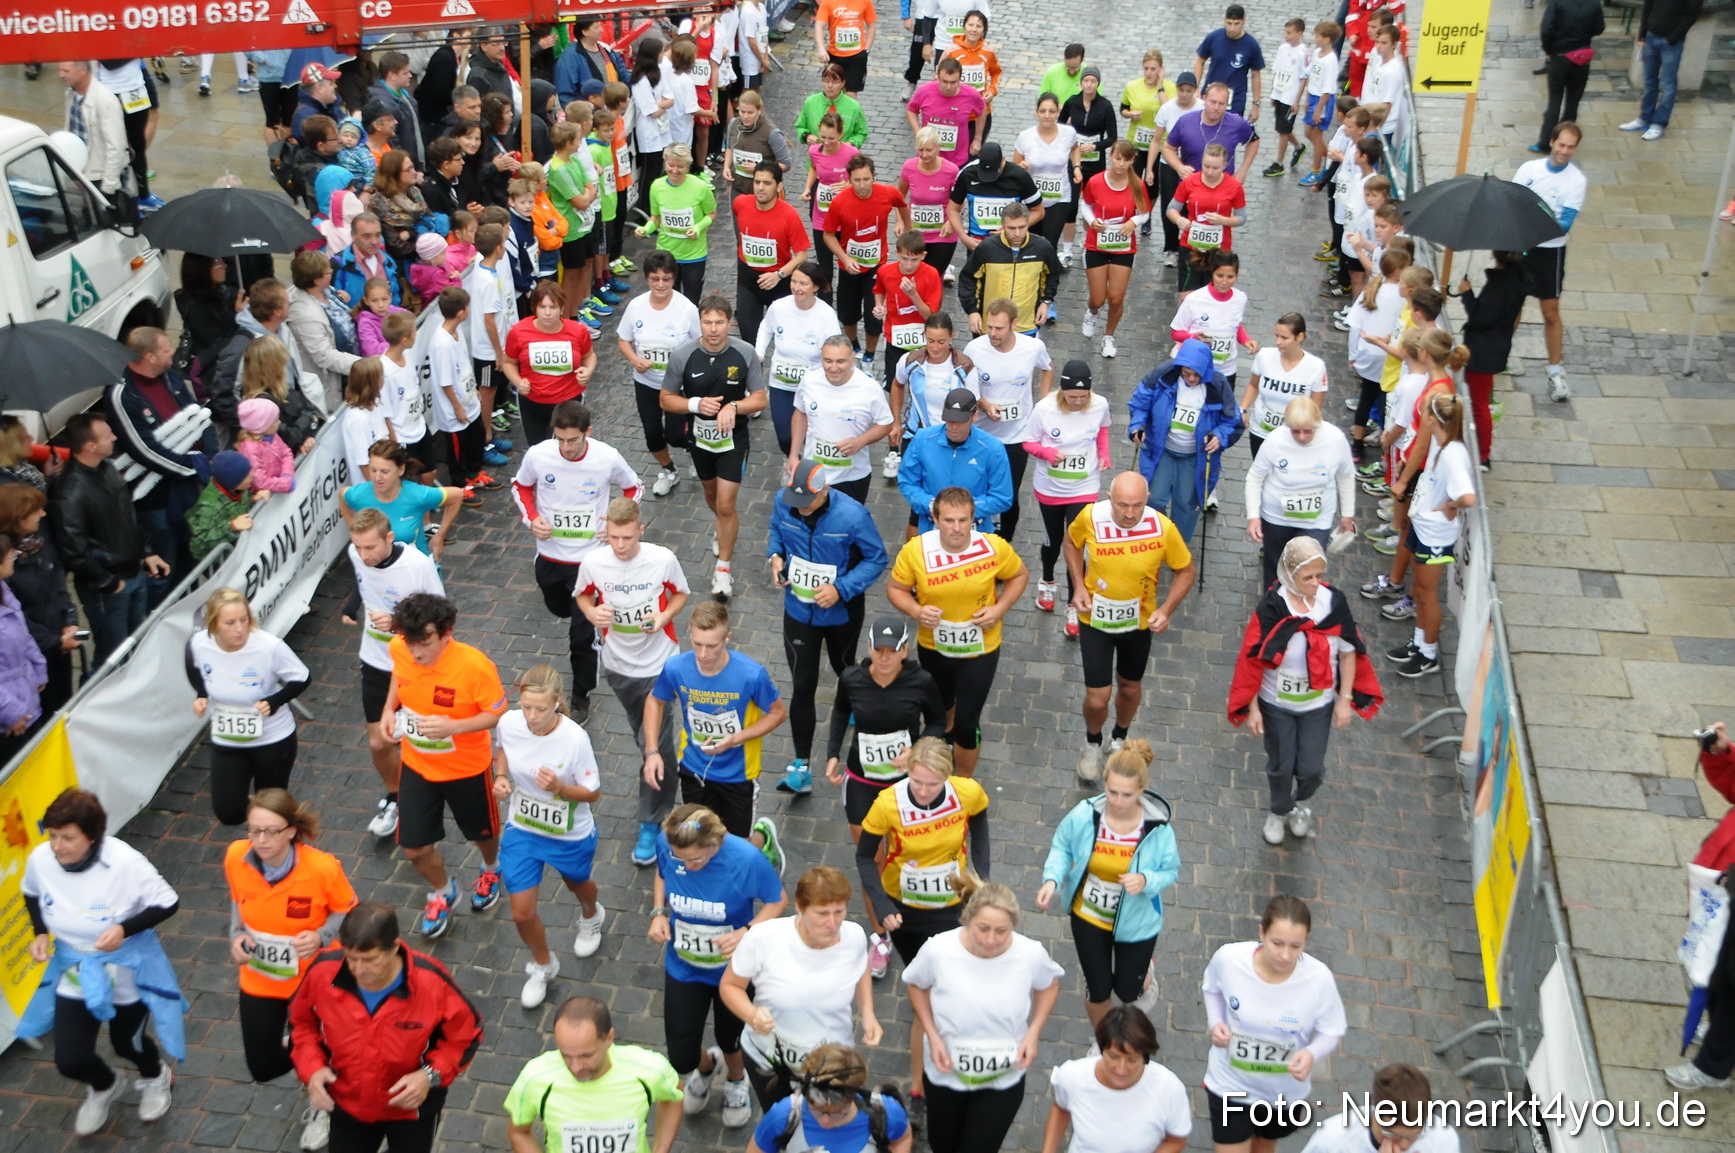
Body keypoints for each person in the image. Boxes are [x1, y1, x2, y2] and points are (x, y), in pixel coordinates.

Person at [20, 789, 181, 1135]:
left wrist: (124, 929)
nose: (57, 846)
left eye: (67, 837)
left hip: (125, 967)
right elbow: (31, 892)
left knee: (127, 1043)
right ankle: (105, 1084)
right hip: (76, 965)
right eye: (52, 835)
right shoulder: (41, 859)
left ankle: (155, 1075)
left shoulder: (125, 862)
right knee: (70, 1060)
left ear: (91, 837)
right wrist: (40, 932)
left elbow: (168, 902)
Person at [289, 902, 483, 1153]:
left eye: (369, 960)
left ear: (394, 947)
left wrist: (429, 1075)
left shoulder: (432, 983)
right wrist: (312, 1069)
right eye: (351, 958)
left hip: (412, 1111)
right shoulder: (322, 972)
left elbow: (465, 1036)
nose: (358, 970)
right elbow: (300, 1024)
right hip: (347, 1106)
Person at [224, 789, 357, 1152]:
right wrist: (236, 936)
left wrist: (320, 935)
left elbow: (348, 908)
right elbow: (237, 900)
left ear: (292, 831)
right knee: (262, 1067)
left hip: (316, 980)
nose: (261, 840)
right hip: (261, 978)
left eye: (271, 831)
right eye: (254, 830)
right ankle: (303, 1048)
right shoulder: (236, 856)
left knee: (328, 1050)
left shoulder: (322, 869)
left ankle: (325, 1105)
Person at [855, 737, 989, 1095]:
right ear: (907, 772)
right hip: (906, 910)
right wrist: (882, 906)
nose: (925, 791)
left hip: (953, 904)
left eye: (933, 784)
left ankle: (948, 1039)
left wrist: (982, 880)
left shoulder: (967, 792)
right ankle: (920, 1075)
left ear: (948, 776)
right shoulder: (888, 803)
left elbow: (980, 828)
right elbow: (864, 857)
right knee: (922, 978)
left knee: (949, 977)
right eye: (917, 782)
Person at [1229, 536, 1382, 844]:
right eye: (1307, 577)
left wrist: (1345, 699)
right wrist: (1254, 708)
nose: (1315, 583)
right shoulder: (1271, 607)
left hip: (1317, 705)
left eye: (1319, 575)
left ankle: (1301, 803)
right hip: (1276, 704)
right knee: (1281, 765)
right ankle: (1279, 810)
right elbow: (1252, 660)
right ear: (1289, 574)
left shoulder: (1333, 604)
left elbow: (1349, 652)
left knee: (1311, 768)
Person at [377, 593, 508, 938]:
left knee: (482, 833)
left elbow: (497, 714)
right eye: (410, 643)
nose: (416, 653)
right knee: (414, 847)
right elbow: (399, 676)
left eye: (425, 644)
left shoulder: (475, 666)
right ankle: (444, 890)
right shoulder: (399, 648)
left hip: (466, 768)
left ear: (447, 632)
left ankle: (492, 867)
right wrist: (389, 709)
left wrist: (454, 727)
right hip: (417, 764)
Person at [651, 803, 788, 1127]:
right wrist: (659, 912)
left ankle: (736, 1079)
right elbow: (661, 873)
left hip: (734, 972)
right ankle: (706, 1066)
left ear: (715, 843)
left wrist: (747, 932)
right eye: (681, 859)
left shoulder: (746, 860)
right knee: (680, 1055)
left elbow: (778, 900)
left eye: (696, 859)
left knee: (731, 1038)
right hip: (684, 967)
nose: (688, 866)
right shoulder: (667, 844)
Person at [903, 877, 1063, 1153]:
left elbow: (1049, 985)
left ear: (1014, 925)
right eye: (983, 928)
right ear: (967, 920)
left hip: (1003, 1077)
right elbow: (916, 985)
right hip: (946, 1073)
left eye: (1002, 931)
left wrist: (1033, 1032)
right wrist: (932, 1034)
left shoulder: (1030, 953)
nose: (991, 940)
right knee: (942, 1145)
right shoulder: (938, 949)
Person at [826, 617, 947, 968]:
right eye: (878, 650)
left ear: (904, 651)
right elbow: (840, 712)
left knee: (908, 856)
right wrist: (832, 753)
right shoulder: (852, 678)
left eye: (891, 651)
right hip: (862, 782)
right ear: (869, 648)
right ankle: (880, 936)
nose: (883, 657)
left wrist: (917, 749)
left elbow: (938, 721)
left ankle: (918, 921)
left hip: (906, 785)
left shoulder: (921, 681)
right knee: (872, 860)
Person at [511, 400, 642, 723]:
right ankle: (580, 619)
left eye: (573, 440)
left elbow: (634, 487)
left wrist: (615, 523)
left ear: (588, 433)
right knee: (558, 608)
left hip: (590, 562)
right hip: (550, 556)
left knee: (581, 635)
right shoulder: (539, 455)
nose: (566, 448)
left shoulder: (606, 457)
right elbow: (521, 486)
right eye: (561, 440)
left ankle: (581, 693)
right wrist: (532, 518)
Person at [576, 498, 691, 867]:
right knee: (644, 735)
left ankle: (652, 820)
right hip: (619, 666)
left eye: (627, 537)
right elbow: (583, 594)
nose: (620, 545)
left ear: (640, 530)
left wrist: (663, 618)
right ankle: (661, 775)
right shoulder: (594, 562)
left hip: (661, 664)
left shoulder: (661, 559)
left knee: (654, 743)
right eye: (614, 537)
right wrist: (592, 612)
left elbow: (681, 594)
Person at [1064, 472, 1197, 780]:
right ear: (1109, 498)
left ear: (1147, 500)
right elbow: (1071, 543)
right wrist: (1078, 585)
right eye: (1122, 505)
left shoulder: (1162, 527)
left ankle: (1119, 737)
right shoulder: (1091, 516)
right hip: (1095, 619)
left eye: (1137, 506)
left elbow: (1186, 571)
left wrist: (1166, 610)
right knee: (1097, 697)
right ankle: (1092, 743)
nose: (1129, 514)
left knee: (1129, 687)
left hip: (1137, 623)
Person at [887, 487, 1026, 778]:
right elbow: (896, 589)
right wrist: (916, 611)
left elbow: (1019, 575)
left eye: (963, 520)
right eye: (949, 520)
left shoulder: (993, 547)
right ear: (935, 519)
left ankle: (963, 782)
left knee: (968, 722)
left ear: (973, 520)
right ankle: (946, 735)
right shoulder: (916, 550)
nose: (957, 528)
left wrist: (999, 609)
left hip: (981, 649)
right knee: (941, 709)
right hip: (934, 646)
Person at [768, 459, 888, 796]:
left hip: (841, 614)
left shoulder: (853, 516)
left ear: (825, 490)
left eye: (807, 501)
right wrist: (775, 557)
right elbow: (776, 529)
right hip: (798, 610)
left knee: (844, 669)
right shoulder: (784, 501)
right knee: (803, 684)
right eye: (797, 501)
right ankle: (801, 766)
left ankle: (860, 710)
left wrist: (841, 589)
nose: (801, 508)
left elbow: (877, 558)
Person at [1038, 740, 1177, 1024]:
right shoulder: (1085, 814)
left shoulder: (1158, 829)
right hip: (1088, 915)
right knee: (1098, 990)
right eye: (1112, 792)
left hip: (1136, 921)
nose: (1118, 801)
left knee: (1128, 991)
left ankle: (1145, 975)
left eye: (1127, 795)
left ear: (1141, 790)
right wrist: (1052, 878)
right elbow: (1062, 846)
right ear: (1105, 783)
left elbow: (1170, 871)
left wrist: (1146, 879)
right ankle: (1105, 1042)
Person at [493, 664, 607, 1009]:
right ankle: (543, 965)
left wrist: (559, 787)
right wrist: (501, 776)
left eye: (540, 709)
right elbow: (503, 749)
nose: (532, 716)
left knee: (578, 884)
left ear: (557, 703)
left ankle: (591, 914)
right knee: (521, 913)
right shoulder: (510, 723)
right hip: (524, 827)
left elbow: (592, 793)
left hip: (568, 833)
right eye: (526, 707)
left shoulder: (575, 739)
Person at [722, 867, 883, 1109]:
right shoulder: (763, 938)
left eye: (839, 912)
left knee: (830, 1118)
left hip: (832, 1062)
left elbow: (861, 968)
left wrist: (868, 1013)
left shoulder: (855, 935)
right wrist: (752, 1015)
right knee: (782, 1118)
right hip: (769, 1061)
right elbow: (730, 985)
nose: (832, 923)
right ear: (800, 906)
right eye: (822, 913)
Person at [1201, 896, 1347, 1153]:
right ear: (1262, 933)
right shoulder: (1230, 959)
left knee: (1265, 1144)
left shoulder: (1318, 978)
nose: (1285, 955)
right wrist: (1216, 1023)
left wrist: (1311, 1053)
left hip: (1282, 1092)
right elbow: (1211, 988)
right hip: (1230, 1083)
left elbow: (1332, 1029)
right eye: (1277, 943)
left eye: (1295, 946)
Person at [644, 601, 790, 855]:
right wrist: (652, 751)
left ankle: (763, 839)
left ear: (727, 638)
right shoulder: (676, 667)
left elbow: (778, 713)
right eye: (697, 643)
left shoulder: (751, 675)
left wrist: (736, 738)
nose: (703, 654)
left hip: (739, 775)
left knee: (737, 847)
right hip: (694, 769)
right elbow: (654, 701)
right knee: (700, 840)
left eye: (711, 646)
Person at [341, 509, 445, 841]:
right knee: (379, 741)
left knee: (425, 737)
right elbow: (364, 580)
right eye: (358, 547)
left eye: (370, 547)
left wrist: (397, 624)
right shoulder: (357, 555)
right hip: (376, 661)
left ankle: (438, 789)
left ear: (389, 538)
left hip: (416, 664)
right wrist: (351, 606)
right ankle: (395, 796)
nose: (363, 555)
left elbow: (441, 618)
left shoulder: (417, 566)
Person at [659, 295, 769, 597]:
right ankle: (722, 527)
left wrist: (733, 406)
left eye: (719, 322)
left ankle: (723, 571)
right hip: (700, 439)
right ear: (700, 323)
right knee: (712, 496)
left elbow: (760, 398)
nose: (713, 329)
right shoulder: (682, 355)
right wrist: (695, 404)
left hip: (734, 439)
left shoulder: (744, 352)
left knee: (726, 503)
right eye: (707, 322)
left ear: (729, 323)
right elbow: (666, 399)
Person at [49, 414, 169, 671]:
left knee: (135, 645)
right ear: (90, 446)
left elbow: (128, 517)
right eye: (107, 436)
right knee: (109, 657)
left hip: (132, 574)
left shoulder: (108, 469)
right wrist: (109, 583)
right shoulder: (69, 492)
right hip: (109, 587)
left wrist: (146, 552)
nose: (115, 437)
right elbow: (73, 552)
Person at [186, 587, 311, 824]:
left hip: (273, 740)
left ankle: (277, 833)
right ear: (214, 623)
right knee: (229, 813)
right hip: (228, 739)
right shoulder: (199, 643)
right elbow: (194, 667)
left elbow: (302, 677)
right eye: (230, 623)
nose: (240, 628)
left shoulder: (268, 646)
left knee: (271, 812)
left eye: (244, 620)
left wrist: (274, 701)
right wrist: (201, 695)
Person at [109, 326, 214, 603]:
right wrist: (193, 467)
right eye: (167, 349)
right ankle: (162, 617)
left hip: (189, 488)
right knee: (165, 569)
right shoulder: (122, 395)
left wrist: (209, 458)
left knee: (192, 559)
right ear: (149, 357)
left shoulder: (170, 376)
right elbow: (144, 449)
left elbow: (199, 417)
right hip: (157, 501)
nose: (173, 352)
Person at [507, 996, 685, 1153]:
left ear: (609, 1038)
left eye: (586, 1056)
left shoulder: (648, 1070)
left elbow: (674, 1096)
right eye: (565, 1055)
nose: (576, 1067)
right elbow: (519, 1132)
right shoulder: (535, 1079)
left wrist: (661, 1150)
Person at [1386, 393, 1477, 679]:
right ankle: (1418, 642)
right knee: (1419, 590)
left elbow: (1468, 497)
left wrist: (1450, 505)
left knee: (1427, 594)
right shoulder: (1442, 443)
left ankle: (1428, 654)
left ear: (1431, 419)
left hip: (1435, 534)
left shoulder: (1452, 455)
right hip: (1422, 524)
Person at [1127, 338, 1243, 547]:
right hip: (1162, 450)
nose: (1190, 378)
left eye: (1196, 374)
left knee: (1187, 502)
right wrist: (1137, 426)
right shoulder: (1163, 374)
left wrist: (1219, 436)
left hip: (1195, 456)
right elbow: (1140, 404)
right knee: (1154, 497)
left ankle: (1177, 545)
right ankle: (1156, 537)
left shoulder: (1217, 384)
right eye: (1186, 373)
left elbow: (1232, 420)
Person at [1027, 360, 1111, 626]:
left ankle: (1075, 601)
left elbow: (1103, 430)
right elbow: (1028, 442)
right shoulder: (1044, 409)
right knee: (1053, 541)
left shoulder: (1100, 404)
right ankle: (1047, 580)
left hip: (1084, 487)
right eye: (1072, 397)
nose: (1078, 402)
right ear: (1062, 391)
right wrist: (1047, 453)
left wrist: (1104, 454)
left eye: (1083, 397)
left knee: (1077, 544)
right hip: (1050, 488)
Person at [1042, 1007, 1192, 1153]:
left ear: (1145, 1057)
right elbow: (1061, 1108)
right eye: (1113, 1057)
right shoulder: (1072, 1076)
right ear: (1101, 1050)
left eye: (1132, 1060)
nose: (1121, 1069)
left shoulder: (1169, 1089)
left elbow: (1176, 1141)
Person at [1244, 399, 1355, 593]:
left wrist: (1347, 515)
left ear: (1318, 424)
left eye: (1308, 431)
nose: (1302, 437)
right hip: (1276, 518)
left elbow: (1346, 475)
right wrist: (1253, 517)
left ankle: (1304, 606)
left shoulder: (1335, 439)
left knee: (1308, 569)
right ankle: (1273, 605)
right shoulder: (1275, 440)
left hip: (1316, 519)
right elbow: (1254, 477)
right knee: (1275, 568)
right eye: (1295, 431)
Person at [619, 251, 705, 498]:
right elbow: (623, 339)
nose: (660, 284)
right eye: (655, 279)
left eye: (666, 279)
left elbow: (700, 343)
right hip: (646, 383)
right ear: (647, 278)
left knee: (676, 435)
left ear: (674, 279)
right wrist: (635, 359)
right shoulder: (636, 306)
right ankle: (669, 470)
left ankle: (693, 449)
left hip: (677, 386)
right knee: (652, 434)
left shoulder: (686, 309)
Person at [1513, 122, 1585, 401]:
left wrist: (1532, 219)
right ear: (1552, 142)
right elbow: (1513, 205)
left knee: (1550, 313)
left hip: (1550, 252)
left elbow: (1564, 224)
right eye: (1561, 144)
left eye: (1571, 147)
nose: (1565, 151)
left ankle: (1555, 371)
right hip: (1521, 247)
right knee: (1512, 305)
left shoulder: (1576, 181)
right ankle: (1500, 354)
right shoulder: (1528, 170)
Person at [824, 155, 911, 372]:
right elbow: (828, 235)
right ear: (849, 179)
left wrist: (907, 230)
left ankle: (870, 357)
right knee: (848, 313)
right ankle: (854, 348)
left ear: (874, 176)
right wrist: (845, 258)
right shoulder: (839, 202)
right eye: (857, 180)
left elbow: (903, 205)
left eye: (866, 179)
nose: (862, 185)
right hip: (849, 267)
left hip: (876, 267)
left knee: (875, 315)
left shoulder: (888, 193)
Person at [0, 486, 77, 721]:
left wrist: (70, 619)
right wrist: (54, 641)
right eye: (37, 510)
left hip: (58, 645)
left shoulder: (39, 544)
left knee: (62, 711)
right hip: (27, 663)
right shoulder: (6, 564)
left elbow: (58, 583)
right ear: (19, 516)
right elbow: (17, 620)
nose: (43, 514)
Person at [748, 1044, 910, 1153]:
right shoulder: (783, 1117)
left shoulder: (886, 1114)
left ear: (853, 1097)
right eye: (816, 1109)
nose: (825, 1121)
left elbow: (903, 1138)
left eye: (837, 1112)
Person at [788, 339, 896, 502]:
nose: (833, 367)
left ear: (852, 358)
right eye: (828, 361)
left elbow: (886, 423)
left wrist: (860, 441)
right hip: (813, 471)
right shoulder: (809, 380)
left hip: (852, 476)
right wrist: (793, 454)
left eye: (840, 361)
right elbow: (800, 413)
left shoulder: (869, 388)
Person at [897, 388, 1012, 536]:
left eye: (960, 421)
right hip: (931, 528)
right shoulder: (922, 439)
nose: (954, 427)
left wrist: (960, 511)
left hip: (975, 531)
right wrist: (930, 504)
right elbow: (907, 482)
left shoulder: (993, 448)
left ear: (974, 416)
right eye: (950, 420)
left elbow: (1002, 497)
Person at [757, 262, 844, 457]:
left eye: (803, 283)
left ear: (816, 287)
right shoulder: (779, 307)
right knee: (784, 436)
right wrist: (759, 352)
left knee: (812, 433)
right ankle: (792, 457)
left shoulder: (826, 315)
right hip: (781, 383)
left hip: (813, 386)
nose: (797, 288)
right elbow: (766, 327)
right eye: (794, 282)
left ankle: (803, 464)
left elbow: (835, 349)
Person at [501, 283, 599, 446]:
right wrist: (518, 381)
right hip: (532, 402)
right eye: (542, 307)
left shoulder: (578, 331)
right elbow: (508, 362)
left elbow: (589, 356)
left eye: (553, 307)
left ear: (562, 308)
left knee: (560, 448)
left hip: (568, 403)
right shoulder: (518, 332)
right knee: (538, 449)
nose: (547, 313)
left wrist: (588, 370)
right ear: (534, 308)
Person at [1454, 253, 1528, 469]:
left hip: (1483, 352)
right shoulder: (1518, 277)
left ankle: (1482, 455)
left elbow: (1480, 319)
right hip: (1496, 347)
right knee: (1480, 400)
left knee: (1479, 405)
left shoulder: (1500, 285)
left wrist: (1467, 293)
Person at [1078, 142, 1149, 358]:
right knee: (1098, 298)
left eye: (1126, 160)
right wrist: (1093, 221)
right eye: (1118, 158)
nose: (1121, 164)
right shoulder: (1096, 181)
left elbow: (1144, 212)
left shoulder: (1137, 185)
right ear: (1110, 156)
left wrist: (1133, 221)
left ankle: (1109, 336)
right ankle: (1092, 311)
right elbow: (1085, 204)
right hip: (1097, 245)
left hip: (1123, 248)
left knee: (1116, 298)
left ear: (1132, 160)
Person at [735, 161, 815, 346]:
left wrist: (778, 275)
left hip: (778, 283)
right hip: (748, 282)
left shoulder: (789, 215)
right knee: (749, 341)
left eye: (767, 183)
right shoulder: (740, 204)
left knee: (785, 340)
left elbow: (802, 255)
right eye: (757, 182)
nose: (761, 188)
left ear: (779, 186)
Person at [340, 440, 464, 559]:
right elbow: (342, 496)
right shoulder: (359, 495)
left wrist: (439, 537)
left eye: (384, 472)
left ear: (401, 469)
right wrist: (355, 530)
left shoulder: (416, 494)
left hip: (415, 568)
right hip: (376, 569)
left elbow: (457, 495)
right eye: (373, 470)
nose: (377, 477)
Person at [890, 314, 973, 486]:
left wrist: (961, 435)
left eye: (941, 342)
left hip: (951, 439)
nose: (935, 347)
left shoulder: (965, 367)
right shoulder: (910, 361)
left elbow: (974, 407)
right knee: (914, 489)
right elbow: (897, 385)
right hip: (916, 436)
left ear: (951, 337)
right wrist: (896, 422)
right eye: (930, 341)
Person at [958, 203, 1061, 341]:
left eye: (1022, 227)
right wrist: (972, 311)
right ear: (1002, 225)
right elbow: (968, 279)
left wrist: (1046, 302)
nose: (1017, 233)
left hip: (1026, 325)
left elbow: (1053, 274)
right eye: (1011, 228)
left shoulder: (1043, 248)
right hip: (991, 326)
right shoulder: (986, 249)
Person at [1302, 1064, 1461, 1153]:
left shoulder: (1444, 1140)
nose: (1404, 1146)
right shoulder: (1331, 1142)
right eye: (1392, 1134)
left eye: (1414, 1136)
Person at [1240, 313, 1330, 458]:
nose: (1278, 342)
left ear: (1299, 337)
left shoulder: (1315, 367)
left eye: (1284, 338)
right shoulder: (1264, 356)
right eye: (1276, 336)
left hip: (1293, 436)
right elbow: (1253, 385)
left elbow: (1315, 409)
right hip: (1260, 431)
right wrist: (1243, 409)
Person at [639, 144, 718, 303]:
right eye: (671, 165)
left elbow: (711, 213)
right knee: (667, 300)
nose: (675, 170)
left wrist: (698, 227)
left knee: (691, 302)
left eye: (680, 167)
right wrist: (646, 229)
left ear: (688, 166)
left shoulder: (700, 187)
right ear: (665, 162)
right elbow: (656, 217)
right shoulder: (657, 186)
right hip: (666, 254)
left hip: (694, 255)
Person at [1011, 94, 1082, 267]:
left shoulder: (1068, 133)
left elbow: (1075, 148)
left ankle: (1048, 276)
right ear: (1036, 113)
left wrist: (1077, 166)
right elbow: (1014, 168)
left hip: (1059, 197)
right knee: (1031, 241)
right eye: (1043, 111)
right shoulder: (1025, 136)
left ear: (1058, 112)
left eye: (1051, 111)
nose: (1047, 115)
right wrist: (1022, 167)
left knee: (1049, 243)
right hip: (1032, 199)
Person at [1166, 148, 1247, 296]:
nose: (1209, 172)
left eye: (1215, 168)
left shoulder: (1234, 186)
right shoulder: (1189, 182)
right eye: (1206, 166)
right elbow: (1171, 209)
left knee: (1213, 295)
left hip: (1219, 249)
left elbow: (1241, 218)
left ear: (1225, 165)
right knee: (1187, 295)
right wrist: (1179, 220)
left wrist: (1223, 220)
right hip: (1191, 246)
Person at [1620, 0, 1704, 142]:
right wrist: (1642, 34)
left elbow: (1692, 14)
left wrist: (1673, 38)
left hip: (1670, 42)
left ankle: (1659, 123)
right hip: (1651, 36)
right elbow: (1648, 6)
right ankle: (1645, 117)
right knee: (1649, 81)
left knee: (1667, 84)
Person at [1059, 66, 1116, 265]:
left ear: (1098, 83)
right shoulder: (1072, 102)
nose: (1089, 85)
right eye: (1086, 81)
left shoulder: (1105, 106)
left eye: (1093, 81)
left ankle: (1087, 243)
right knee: (1071, 205)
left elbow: (1113, 137)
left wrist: (1095, 146)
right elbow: (1059, 126)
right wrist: (1070, 140)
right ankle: (1067, 250)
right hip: (1074, 160)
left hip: (1095, 162)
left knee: (1092, 204)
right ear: (1081, 83)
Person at [803, 113, 861, 292]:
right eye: (823, 137)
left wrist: (849, 185)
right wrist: (807, 188)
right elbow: (814, 169)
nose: (826, 142)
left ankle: (846, 298)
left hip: (845, 217)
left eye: (832, 138)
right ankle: (825, 300)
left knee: (847, 263)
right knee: (824, 267)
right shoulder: (814, 151)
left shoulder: (851, 153)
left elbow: (865, 179)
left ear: (841, 134)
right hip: (822, 215)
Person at [0, 532, 45, 758]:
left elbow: (23, 635)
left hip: (25, 701)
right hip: (9, 719)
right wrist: (11, 713)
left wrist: (39, 669)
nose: (15, 555)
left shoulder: (4, 591)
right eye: (9, 553)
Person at [900, 127, 964, 281]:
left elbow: (959, 200)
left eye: (929, 150)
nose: (924, 154)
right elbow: (899, 196)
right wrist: (900, 221)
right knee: (913, 277)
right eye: (920, 150)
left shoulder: (951, 171)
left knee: (933, 278)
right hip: (915, 233)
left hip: (942, 234)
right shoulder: (909, 167)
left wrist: (951, 222)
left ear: (939, 147)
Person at [1119, 49, 1176, 220]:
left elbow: (1170, 109)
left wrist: (1160, 86)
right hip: (1136, 142)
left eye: (1153, 69)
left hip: (1160, 144)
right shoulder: (1132, 86)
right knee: (1134, 181)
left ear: (1161, 69)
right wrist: (1130, 114)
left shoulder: (1170, 87)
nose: (1149, 73)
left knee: (1152, 185)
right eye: (1146, 68)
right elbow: (1123, 109)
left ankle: (1147, 216)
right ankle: (1133, 212)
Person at [1162, 82, 1259, 180]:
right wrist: (1179, 168)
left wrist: (1243, 170)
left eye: (1221, 104)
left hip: (1223, 185)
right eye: (1212, 102)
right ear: (1204, 99)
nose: (1216, 108)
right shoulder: (1185, 121)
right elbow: (1168, 148)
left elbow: (1254, 141)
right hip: (1191, 183)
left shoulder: (1236, 123)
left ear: (1227, 104)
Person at [59, 61, 127, 197]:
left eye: (66, 71)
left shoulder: (106, 100)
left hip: (99, 178)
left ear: (83, 70)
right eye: (60, 70)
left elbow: (116, 146)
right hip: (81, 173)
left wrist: (109, 186)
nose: (61, 75)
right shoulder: (70, 94)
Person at [908, 58, 987, 174]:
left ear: (960, 79)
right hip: (928, 156)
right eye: (944, 82)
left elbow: (982, 110)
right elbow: (911, 109)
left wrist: (977, 138)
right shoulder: (925, 91)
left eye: (953, 82)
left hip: (957, 159)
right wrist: (918, 133)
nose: (949, 87)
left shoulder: (971, 95)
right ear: (937, 77)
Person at [1194, 5, 1265, 118]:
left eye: (1236, 24)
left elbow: (1256, 75)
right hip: (1211, 97)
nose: (1232, 28)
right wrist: (1195, 88)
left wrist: (1256, 105)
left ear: (1244, 21)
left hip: (1235, 101)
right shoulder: (1213, 38)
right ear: (1224, 20)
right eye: (1229, 23)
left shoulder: (1251, 45)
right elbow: (1199, 62)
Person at [1265, 18, 1312, 177]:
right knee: (1282, 127)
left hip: (1290, 97)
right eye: (1285, 32)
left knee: (1283, 130)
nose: (1286, 36)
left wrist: (1297, 101)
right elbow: (1277, 70)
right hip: (1280, 93)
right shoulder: (1282, 48)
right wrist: (1273, 93)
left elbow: (1304, 78)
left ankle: (1279, 163)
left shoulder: (1303, 52)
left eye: (1290, 33)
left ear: (1299, 33)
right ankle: (1299, 147)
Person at [794, 63, 870, 148]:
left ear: (843, 83)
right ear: (822, 81)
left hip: (843, 155)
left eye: (835, 82)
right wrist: (806, 136)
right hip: (816, 154)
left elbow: (861, 133)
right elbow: (800, 126)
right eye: (826, 81)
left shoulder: (854, 106)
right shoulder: (810, 102)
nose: (830, 86)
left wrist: (851, 143)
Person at [814, 0, 878, 94]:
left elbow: (871, 25)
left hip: (857, 55)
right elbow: (819, 26)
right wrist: (821, 49)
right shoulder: (828, 2)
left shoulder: (864, 1)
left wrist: (866, 50)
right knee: (835, 91)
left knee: (851, 93)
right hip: (835, 54)